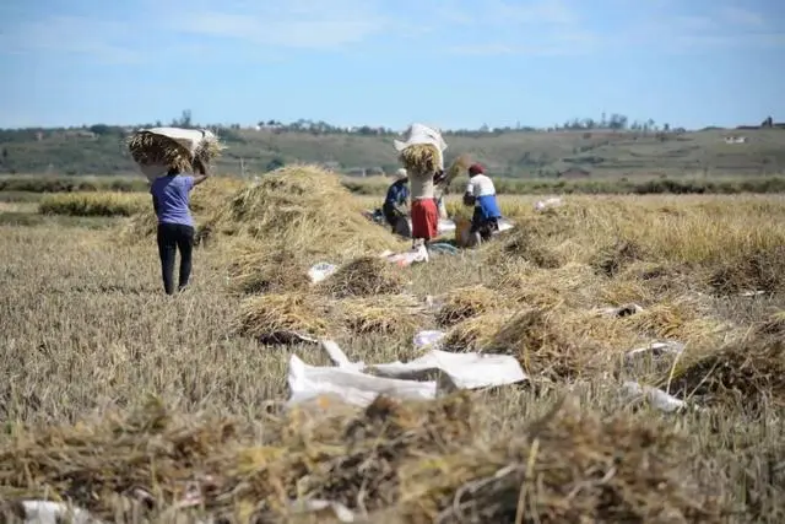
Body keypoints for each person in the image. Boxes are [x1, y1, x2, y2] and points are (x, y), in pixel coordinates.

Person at [149, 158, 210, 295]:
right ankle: (182, 289)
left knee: (167, 261)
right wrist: (197, 158)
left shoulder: (157, 184)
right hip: (185, 225)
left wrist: (163, 218)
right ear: (181, 167)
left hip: (165, 225)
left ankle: (169, 293)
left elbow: (156, 206)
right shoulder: (185, 181)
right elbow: (205, 175)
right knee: (186, 257)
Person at [463, 163, 502, 247]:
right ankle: (490, 247)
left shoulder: (472, 179)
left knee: (475, 229)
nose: (469, 175)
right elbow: (494, 194)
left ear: (472, 172)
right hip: (493, 207)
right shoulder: (488, 179)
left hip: (482, 205)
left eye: (469, 173)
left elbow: (468, 195)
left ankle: (477, 249)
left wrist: (466, 201)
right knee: (491, 228)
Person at [382, 168, 410, 234]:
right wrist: (401, 212)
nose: (408, 179)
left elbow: (406, 200)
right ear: (402, 178)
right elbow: (392, 203)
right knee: (400, 222)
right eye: (406, 178)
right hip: (390, 211)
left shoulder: (404, 188)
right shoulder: (393, 188)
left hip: (398, 210)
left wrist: (408, 211)